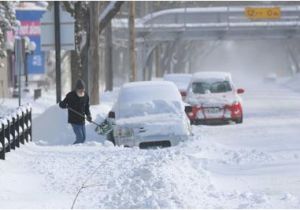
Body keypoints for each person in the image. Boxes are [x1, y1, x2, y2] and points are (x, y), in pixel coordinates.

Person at [59, 79, 92, 144]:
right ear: (76, 89)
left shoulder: (85, 96)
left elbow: (87, 107)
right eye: (80, 90)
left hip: (82, 119)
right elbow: (62, 104)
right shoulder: (70, 95)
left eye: (83, 89)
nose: (82, 91)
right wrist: (63, 104)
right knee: (80, 138)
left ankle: (77, 152)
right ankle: (72, 149)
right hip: (74, 120)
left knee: (83, 138)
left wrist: (88, 115)